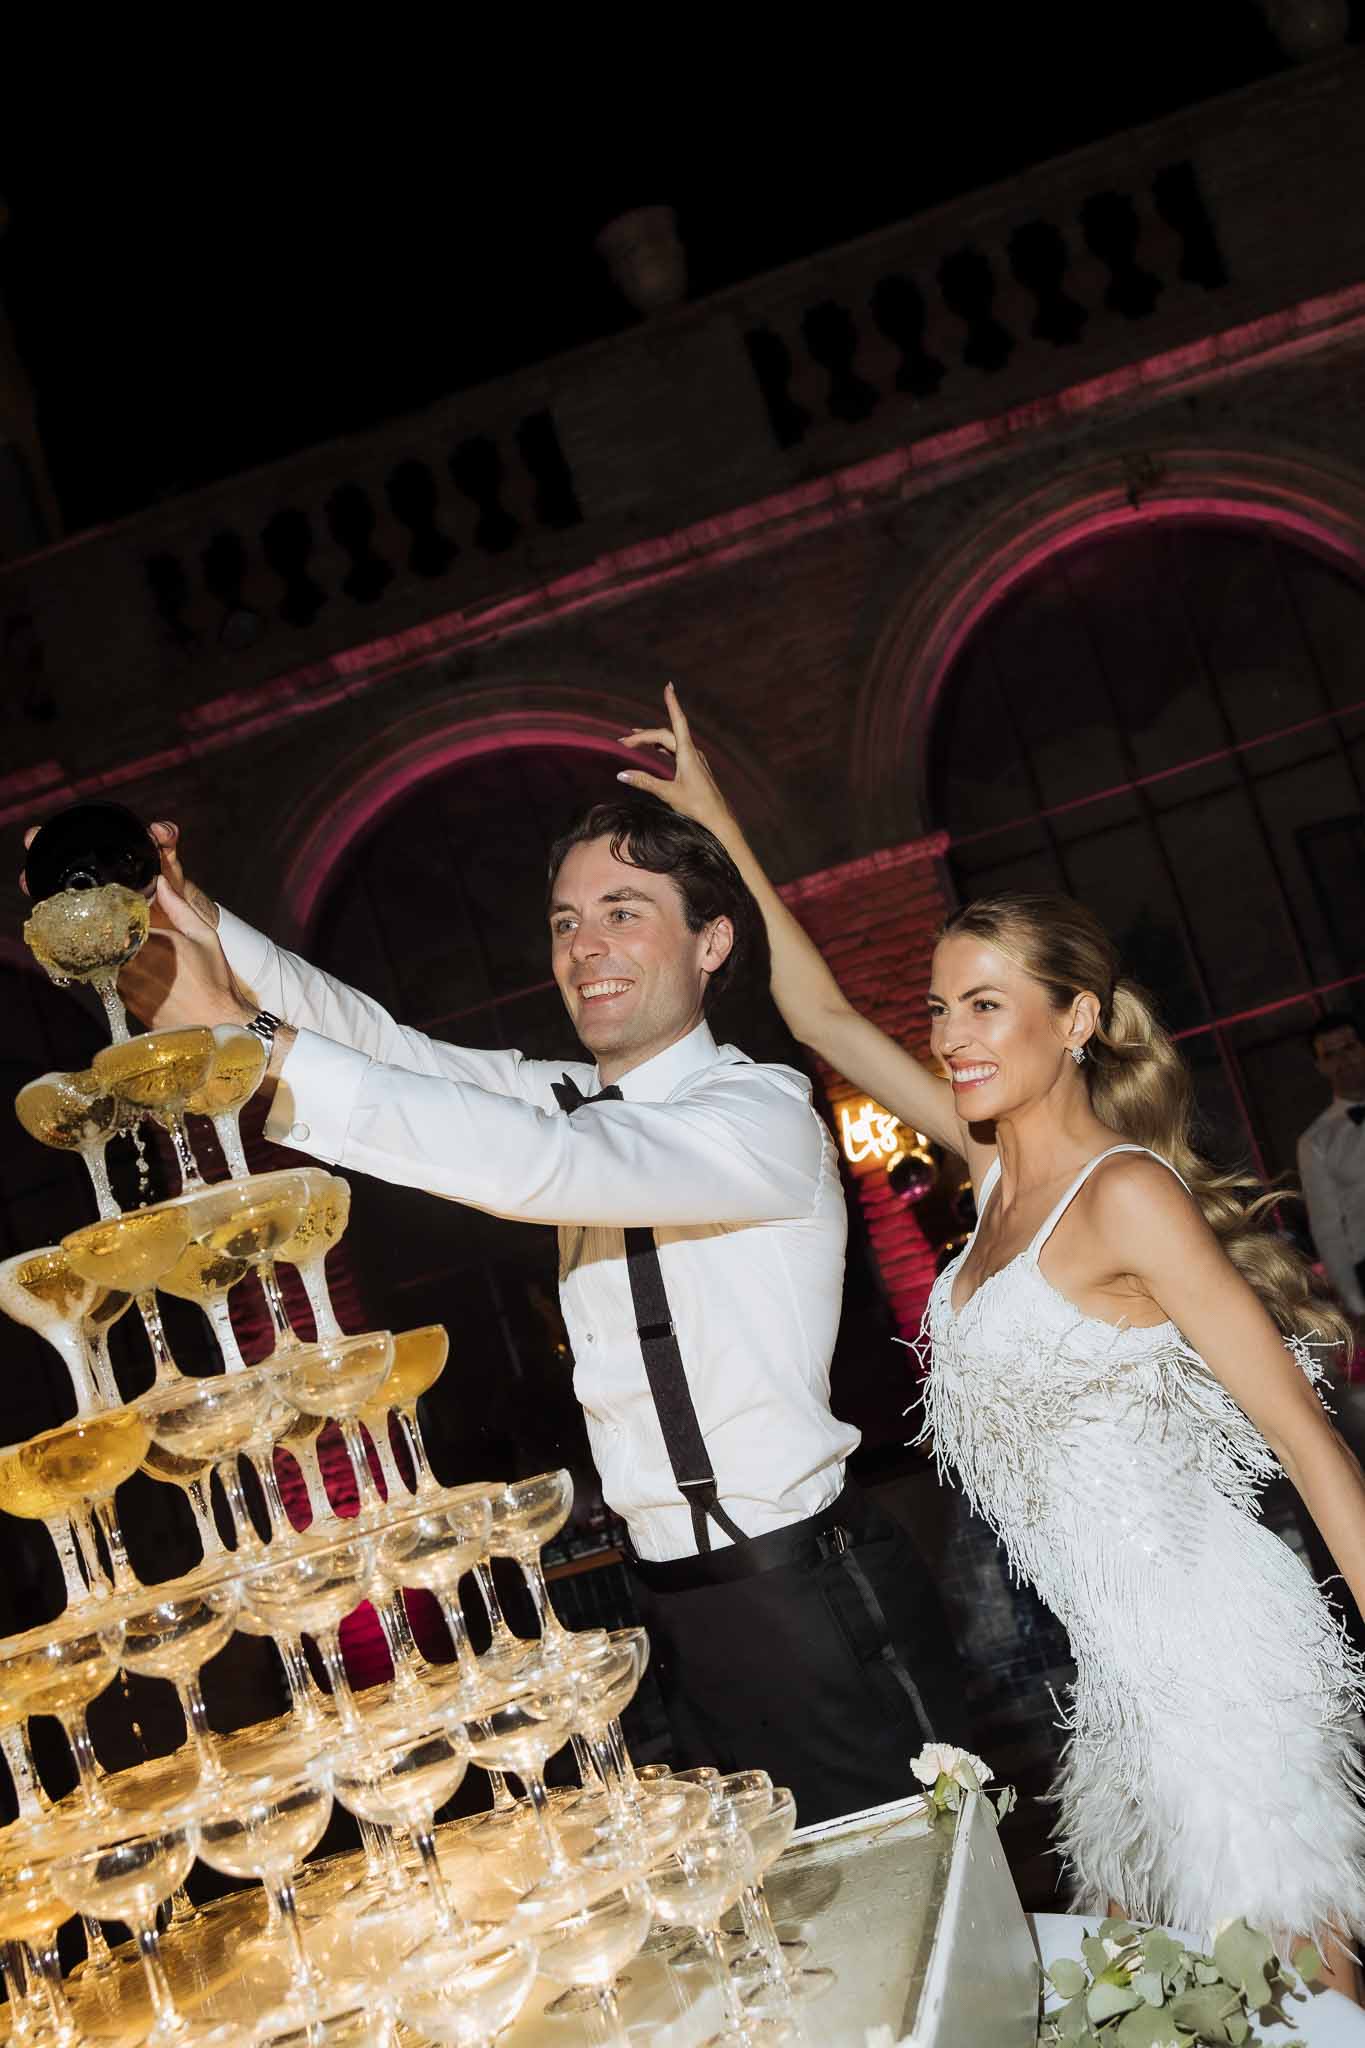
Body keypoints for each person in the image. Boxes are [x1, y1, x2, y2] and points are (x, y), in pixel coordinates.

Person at [619, 686, 1365, 1993]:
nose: (950, 1036)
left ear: (1075, 1020)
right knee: (1184, 2002)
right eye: (943, 1008)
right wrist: (716, 818)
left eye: (983, 1006)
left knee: (1291, 1990)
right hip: (1121, 1681)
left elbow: (1307, 1446)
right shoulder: (987, 1174)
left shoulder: (1122, 1196)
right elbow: (827, 1019)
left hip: (1221, 1658)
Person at [86, 797, 963, 1824]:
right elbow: (387, 1051)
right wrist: (198, 918)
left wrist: (245, 1044)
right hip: (669, 1618)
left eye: (625, 912)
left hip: (809, 1604)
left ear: (713, 940)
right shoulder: (568, 1091)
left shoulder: (762, 1113)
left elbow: (542, 1165)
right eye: (564, 920)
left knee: (926, 1912)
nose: (585, 946)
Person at [1298, 1012, 1365, 1323]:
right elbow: (1327, 1229)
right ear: (1320, 1066)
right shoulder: (1315, 1141)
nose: (1343, 1060)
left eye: (1349, 1047)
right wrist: (1355, 1303)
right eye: (1330, 1054)